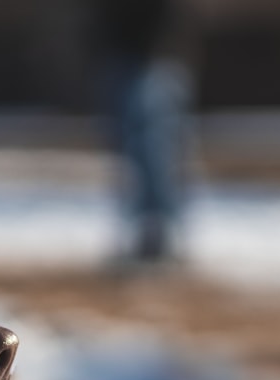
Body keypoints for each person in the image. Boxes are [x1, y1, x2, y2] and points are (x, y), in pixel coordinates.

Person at [90, 0, 194, 265]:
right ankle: (148, 232)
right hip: (130, 57)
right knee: (137, 150)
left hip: (151, 59)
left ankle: (157, 234)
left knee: (153, 149)